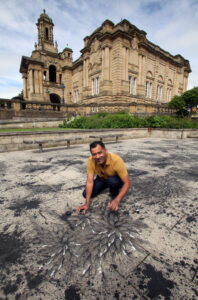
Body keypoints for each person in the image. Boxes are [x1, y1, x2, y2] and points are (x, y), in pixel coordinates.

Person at [76, 141, 131, 213]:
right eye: (94, 154)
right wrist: (87, 204)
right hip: (102, 178)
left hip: (114, 178)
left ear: (106, 151)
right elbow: (89, 181)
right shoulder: (90, 161)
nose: (97, 157)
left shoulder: (116, 160)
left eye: (100, 153)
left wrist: (117, 200)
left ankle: (114, 193)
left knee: (112, 181)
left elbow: (127, 182)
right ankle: (106, 185)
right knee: (85, 194)